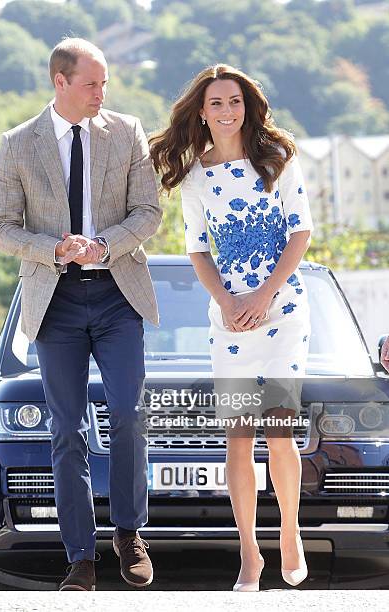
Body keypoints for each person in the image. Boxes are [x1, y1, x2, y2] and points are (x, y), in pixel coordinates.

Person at [0, 37, 162, 591]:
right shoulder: (17, 145)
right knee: (67, 431)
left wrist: (104, 245)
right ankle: (80, 557)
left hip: (117, 294)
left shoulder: (127, 132)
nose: (101, 93)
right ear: (59, 81)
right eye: (91, 83)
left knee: (129, 415)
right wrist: (55, 249)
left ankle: (130, 533)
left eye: (105, 82)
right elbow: (0, 228)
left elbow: (149, 212)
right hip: (55, 300)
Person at [150, 64, 313, 591]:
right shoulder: (196, 177)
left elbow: (301, 233)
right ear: (201, 111)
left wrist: (263, 295)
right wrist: (227, 302)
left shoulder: (279, 160)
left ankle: (289, 531)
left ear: (249, 106)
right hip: (230, 322)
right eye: (216, 103)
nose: (226, 111)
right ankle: (249, 554)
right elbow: (197, 250)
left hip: (283, 312)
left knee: (279, 431)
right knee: (237, 439)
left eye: (235, 101)